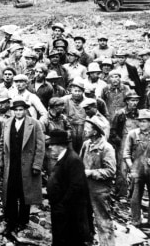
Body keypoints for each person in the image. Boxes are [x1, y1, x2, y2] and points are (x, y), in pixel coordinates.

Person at [0, 96, 45, 235]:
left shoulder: (34, 124)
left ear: (25, 110)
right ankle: (11, 221)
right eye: (16, 110)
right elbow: (1, 144)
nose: (18, 112)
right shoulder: (7, 123)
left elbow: (40, 146)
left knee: (25, 193)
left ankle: (23, 221)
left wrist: (37, 164)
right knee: (10, 192)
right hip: (11, 164)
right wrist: (0, 161)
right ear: (13, 111)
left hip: (27, 164)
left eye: (21, 110)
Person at [123, 109, 150, 231]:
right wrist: (131, 167)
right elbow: (126, 153)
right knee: (135, 196)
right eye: (140, 121)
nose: (142, 124)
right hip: (137, 169)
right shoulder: (132, 135)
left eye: (145, 121)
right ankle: (135, 221)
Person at [46, 129, 92, 246]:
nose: (50, 148)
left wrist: (62, 205)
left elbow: (76, 187)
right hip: (61, 208)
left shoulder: (73, 160)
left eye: (52, 145)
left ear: (60, 146)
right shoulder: (64, 157)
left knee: (68, 238)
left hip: (68, 211)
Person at [80, 118, 116, 246]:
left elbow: (111, 171)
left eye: (87, 128)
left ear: (95, 132)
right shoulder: (86, 144)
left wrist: (91, 173)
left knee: (103, 220)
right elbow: (80, 163)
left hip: (100, 191)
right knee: (85, 218)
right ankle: (88, 240)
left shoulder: (106, 148)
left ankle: (107, 243)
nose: (84, 129)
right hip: (85, 188)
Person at [108, 92, 141, 197]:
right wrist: (120, 143)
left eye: (136, 100)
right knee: (122, 170)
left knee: (136, 169)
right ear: (127, 101)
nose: (134, 103)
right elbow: (113, 131)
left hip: (137, 145)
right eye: (132, 100)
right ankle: (121, 193)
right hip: (123, 144)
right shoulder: (120, 114)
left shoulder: (140, 114)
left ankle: (134, 195)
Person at [39, 97, 72, 176]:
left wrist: (66, 134)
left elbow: (69, 130)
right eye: (61, 106)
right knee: (53, 174)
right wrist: (57, 138)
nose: (63, 108)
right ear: (54, 107)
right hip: (51, 150)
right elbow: (41, 136)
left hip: (64, 149)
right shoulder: (44, 119)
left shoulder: (63, 118)